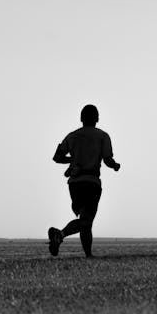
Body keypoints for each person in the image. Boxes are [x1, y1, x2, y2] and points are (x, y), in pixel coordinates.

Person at [48, 104, 120, 258]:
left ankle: (88, 254)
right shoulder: (102, 136)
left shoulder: (72, 136)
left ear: (81, 118)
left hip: (74, 184)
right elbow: (107, 159)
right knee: (86, 220)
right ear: (97, 118)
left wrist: (73, 159)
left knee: (85, 219)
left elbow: (57, 157)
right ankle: (60, 234)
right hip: (92, 182)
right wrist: (115, 166)